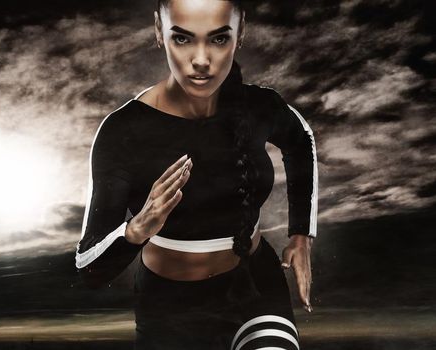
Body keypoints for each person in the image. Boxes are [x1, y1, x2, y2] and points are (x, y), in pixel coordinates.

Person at [74, 0, 318, 349]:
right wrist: (136, 229)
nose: (201, 60)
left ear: (240, 31)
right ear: (159, 31)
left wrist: (301, 235)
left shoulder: (260, 106)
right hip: (169, 309)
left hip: (255, 288)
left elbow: (301, 141)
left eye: (218, 39)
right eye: (183, 39)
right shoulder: (122, 130)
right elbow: (89, 267)